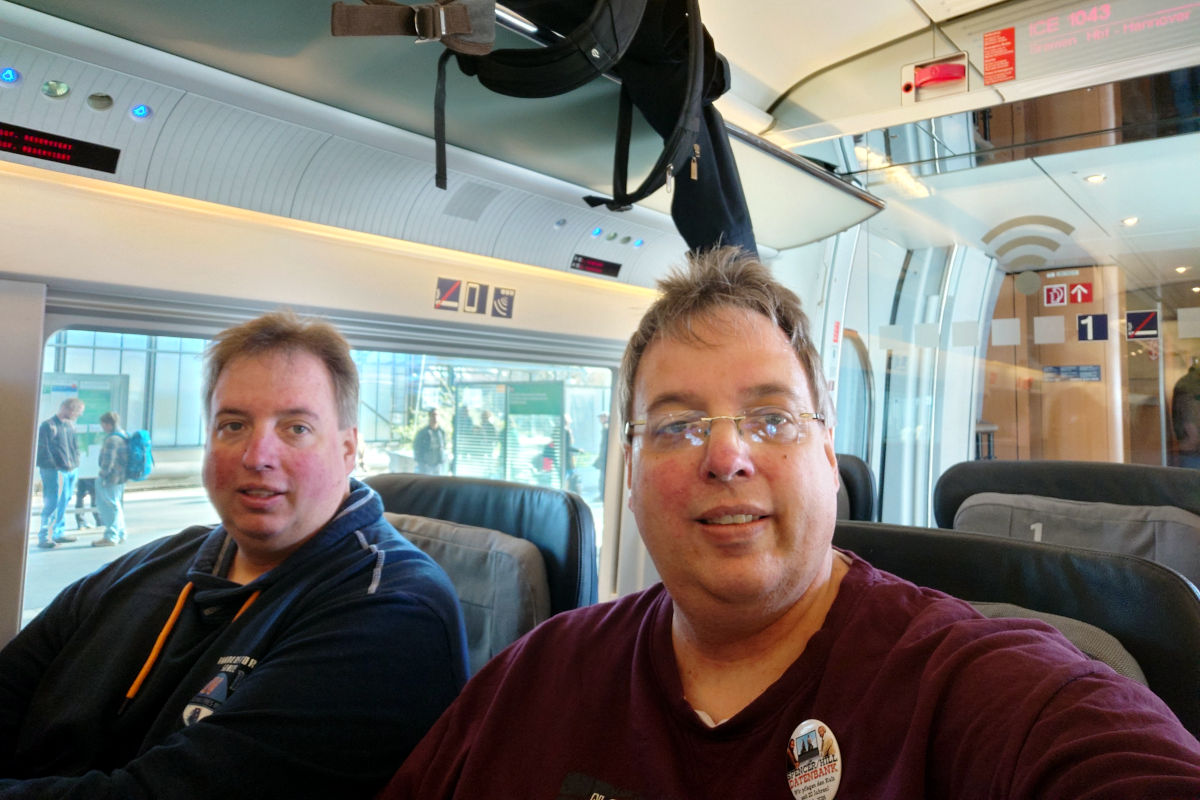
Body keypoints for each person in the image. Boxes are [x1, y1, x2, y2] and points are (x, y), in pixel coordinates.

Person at [381, 247, 1200, 799]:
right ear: (629, 472)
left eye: (771, 418)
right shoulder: (536, 677)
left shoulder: (980, 694)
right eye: (677, 425)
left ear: (828, 453)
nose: (726, 455)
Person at [1, 311, 469, 798]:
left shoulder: (391, 609)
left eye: (296, 428)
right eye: (233, 425)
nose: (257, 455)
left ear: (348, 449)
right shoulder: (156, 562)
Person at [34, 398, 84, 549]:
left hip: (71, 469)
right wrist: (55, 466)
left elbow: (75, 446)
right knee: (53, 502)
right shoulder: (48, 425)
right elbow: (43, 449)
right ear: (66, 409)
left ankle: (58, 532)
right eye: (77, 412)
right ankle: (45, 536)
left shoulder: (70, 425)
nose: (78, 415)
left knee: (64, 500)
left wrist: (75, 463)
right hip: (55, 470)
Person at [91, 411, 128, 547]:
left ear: (108, 424)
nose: (102, 427)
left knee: (109, 507)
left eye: (103, 424)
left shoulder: (112, 439)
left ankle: (111, 536)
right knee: (116, 506)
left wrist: (102, 476)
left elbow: (108, 461)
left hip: (110, 478)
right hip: (120, 477)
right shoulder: (123, 435)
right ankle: (121, 533)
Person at [1172, 357, 1200, 468]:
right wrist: (1194, 439)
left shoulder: (1187, 383)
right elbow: (1189, 421)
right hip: (1193, 452)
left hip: (1190, 450)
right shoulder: (1190, 385)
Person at [413, 408, 447, 475]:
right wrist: (421, 463)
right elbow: (416, 447)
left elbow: (444, 447)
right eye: (433, 415)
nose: (435, 417)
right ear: (429, 416)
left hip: (438, 466)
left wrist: (442, 460)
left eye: (437, 415)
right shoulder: (423, 433)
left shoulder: (441, 432)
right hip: (426, 466)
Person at [593, 412, 609, 502]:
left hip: (604, 458)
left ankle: (602, 496)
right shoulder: (606, 427)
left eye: (601, 417)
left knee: (603, 478)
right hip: (604, 458)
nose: (600, 419)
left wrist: (601, 458)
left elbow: (604, 446)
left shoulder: (606, 428)